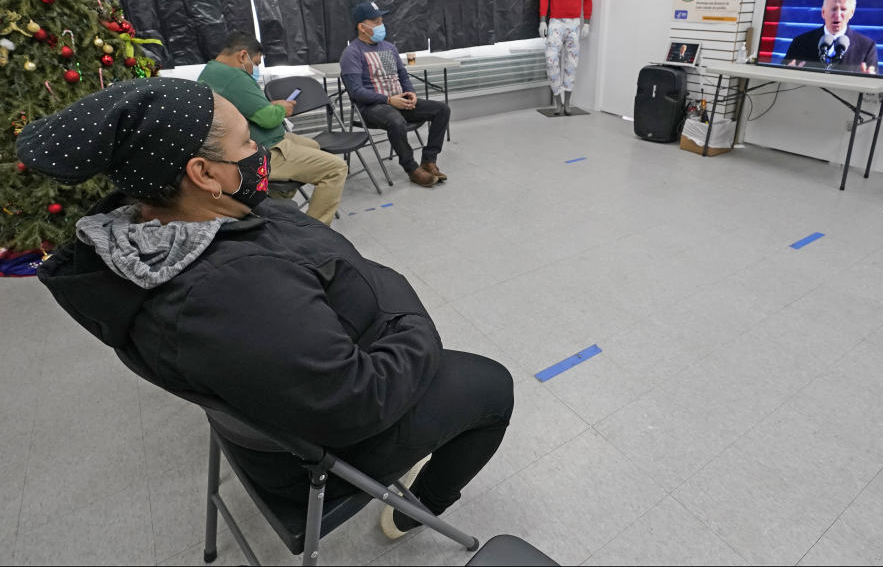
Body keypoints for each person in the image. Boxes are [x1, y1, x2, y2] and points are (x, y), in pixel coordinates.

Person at [16, 78, 514, 539]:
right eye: (248, 143)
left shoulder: (201, 215)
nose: (260, 150)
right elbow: (357, 402)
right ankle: (420, 506)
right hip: (326, 443)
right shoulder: (226, 292)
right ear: (203, 172)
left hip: (314, 375)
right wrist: (408, 317)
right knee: (493, 387)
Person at [198, 32, 348, 224]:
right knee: (336, 169)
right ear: (243, 56)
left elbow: (250, 109)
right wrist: (280, 109)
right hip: (263, 150)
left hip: (254, 143)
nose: (256, 68)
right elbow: (269, 119)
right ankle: (314, 230)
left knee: (313, 145)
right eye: (256, 62)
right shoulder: (234, 77)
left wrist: (272, 106)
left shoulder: (212, 72)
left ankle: (278, 198)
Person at [340, 1, 451, 187]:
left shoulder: (389, 48)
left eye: (381, 20)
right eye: (375, 22)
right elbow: (356, 91)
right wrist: (389, 100)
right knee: (396, 121)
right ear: (362, 27)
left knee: (442, 110)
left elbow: (402, 75)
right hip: (373, 107)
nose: (381, 25)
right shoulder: (352, 53)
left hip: (399, 100)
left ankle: (429, 160)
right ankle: (412, 169)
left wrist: (411, 93)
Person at [539, 0, 593, 115]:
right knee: (551, 59)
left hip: (573, 24)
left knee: (572, 63)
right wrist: (542, 20)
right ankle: (557, 101)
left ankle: (568, 103)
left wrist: (586, 21)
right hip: (555, 22)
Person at [781, 0, 878, 74]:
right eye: (834, 9)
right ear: (823, 12)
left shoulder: (867, 46)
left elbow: (873, 82)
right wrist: (787, 72)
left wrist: (869, 79)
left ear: (851, 13)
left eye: (843, 9)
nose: (838, 14)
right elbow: (781, 76)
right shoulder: (800, 42)